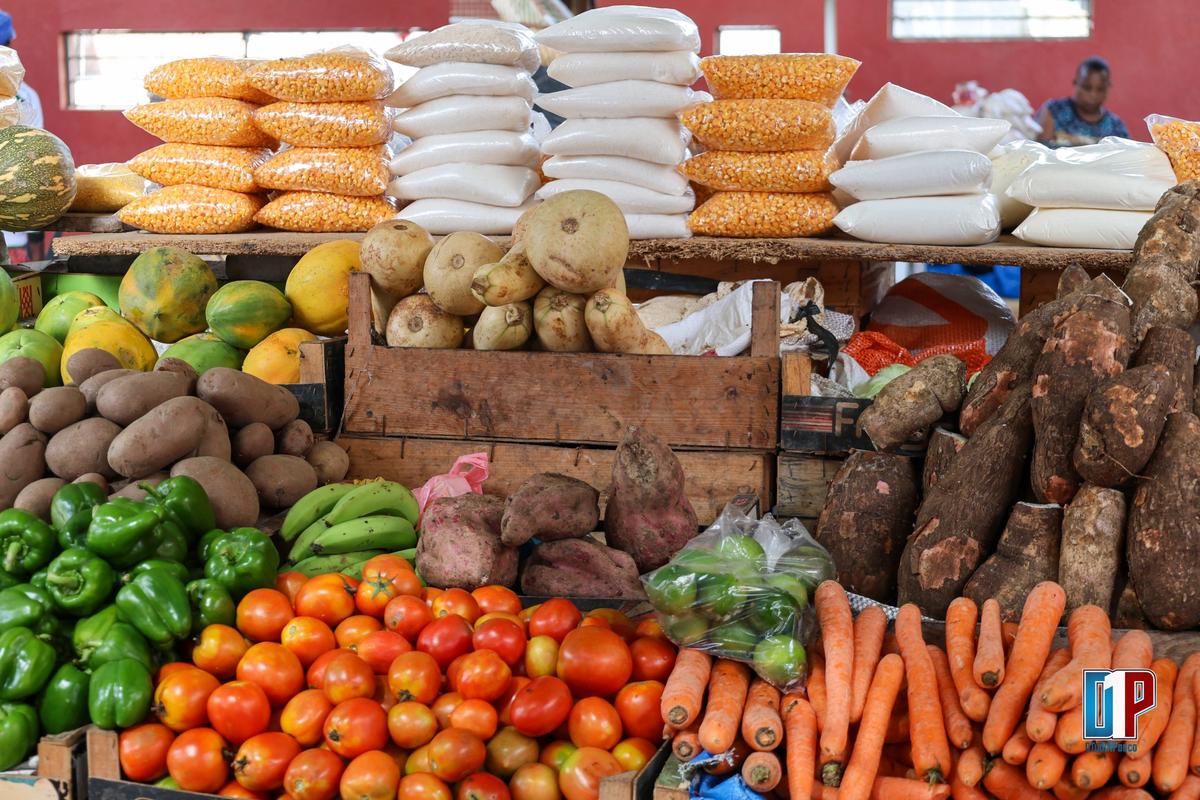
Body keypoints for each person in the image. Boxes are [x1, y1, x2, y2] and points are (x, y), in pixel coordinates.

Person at [1036, 56, 1128, 147]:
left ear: (1108, 88)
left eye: (1100, 89)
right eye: (1087, 88)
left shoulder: (1115, 126)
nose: (1093, 95)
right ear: (1075, 83)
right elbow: (1041, 151)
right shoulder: (1054, 112)